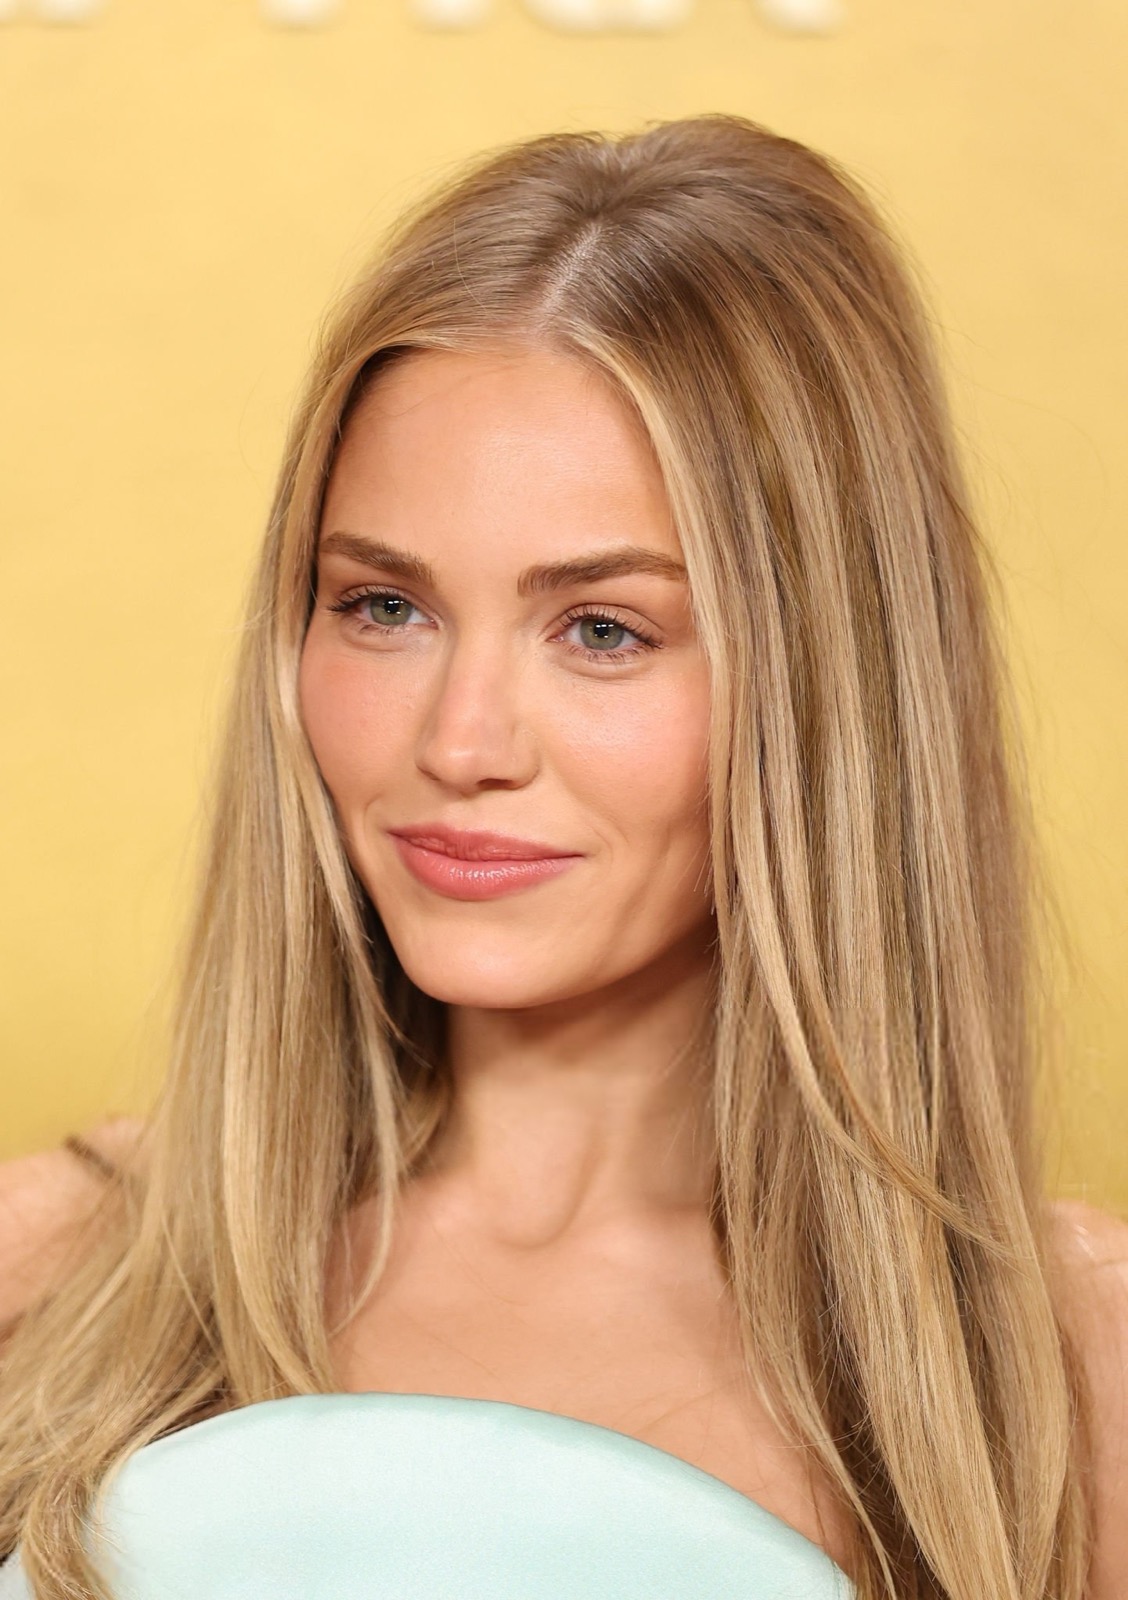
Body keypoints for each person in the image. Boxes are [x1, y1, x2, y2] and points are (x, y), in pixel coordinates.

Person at [0, 112, 1125, 1600]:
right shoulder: (50, 1277)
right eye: (384, 607)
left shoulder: (1074, 1382)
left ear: (829, 689)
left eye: (603, 629)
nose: (460, 741)